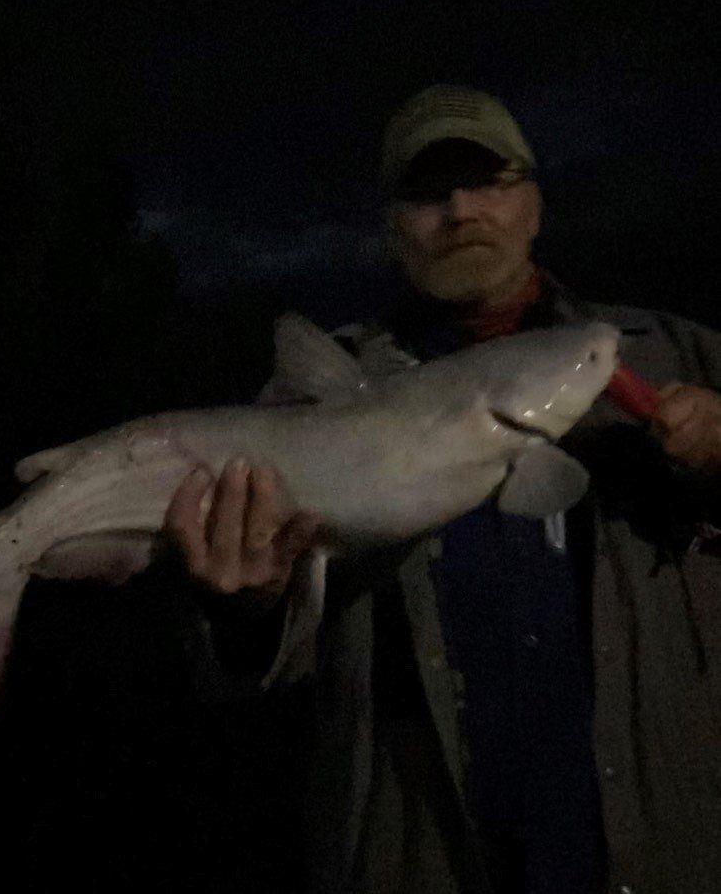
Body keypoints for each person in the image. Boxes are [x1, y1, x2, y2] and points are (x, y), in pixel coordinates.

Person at [165, 85, 721, 894]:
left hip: (664, 849)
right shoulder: (315, 400)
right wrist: (241, 609)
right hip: (418, 855)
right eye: (427, 192)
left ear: (533, 201)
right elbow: (245, 676)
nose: (460, 208)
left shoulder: (674, 354)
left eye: (489, 179)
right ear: (392, 226)